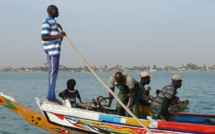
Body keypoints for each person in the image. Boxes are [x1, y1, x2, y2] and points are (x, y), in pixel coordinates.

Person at [41, 5, 66, 104]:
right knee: (52, 74)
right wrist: (58, 34)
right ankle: (51, 97)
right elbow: (44, 37)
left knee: (54, 74)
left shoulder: (55, 23)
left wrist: (61, 31)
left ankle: (50, 96)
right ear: (51, 11)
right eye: (56, 10)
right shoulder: (47, 21)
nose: (58, 12)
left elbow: (60, 39)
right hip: (52, 51)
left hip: (56, 51)